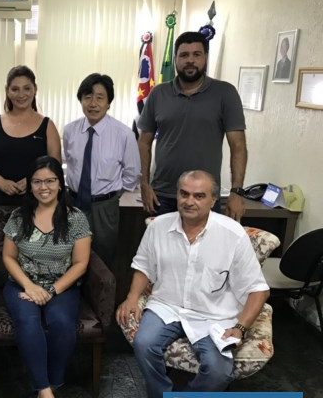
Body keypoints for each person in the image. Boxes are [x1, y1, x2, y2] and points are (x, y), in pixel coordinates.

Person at [116, 170, 269, 397]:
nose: (189, 202)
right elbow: (143, 266)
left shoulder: (232, 234)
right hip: (167, 305)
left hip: (214, 315)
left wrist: (239, 327)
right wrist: (131, 298)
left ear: (213, 200)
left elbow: (258, 290)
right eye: (184, 194)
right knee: (143, 344)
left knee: (219, 371)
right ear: (176, 195)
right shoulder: (158, 227)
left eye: (199, 196)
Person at [2, 156, 92, 398]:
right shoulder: (19, 217)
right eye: (37, 181)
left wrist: (51, 290)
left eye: (50, 181)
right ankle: (44, 390)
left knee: (61, 323)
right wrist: (29, 286)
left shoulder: (76, 218)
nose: (44, 187)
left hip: (63, 285)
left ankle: (55, 381)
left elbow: (81, 263)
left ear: (60, 183)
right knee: (28, 321)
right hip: (21, 284)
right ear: (30, 185)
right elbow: (8, 257)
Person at [137, 31, 247, 221]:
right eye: (184, 55)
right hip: (163, 196)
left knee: (205, 251)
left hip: (204, 198)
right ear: (175, 59)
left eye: (197, 54)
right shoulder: (158, 94)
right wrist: (144, 184)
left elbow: (238, 146)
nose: (190, 60)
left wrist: (237, 192)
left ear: (205, 57)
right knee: (162, 250)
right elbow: (144, 142)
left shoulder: (225, 93)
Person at [63, 73, 140, 266]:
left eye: (99, 97)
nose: (93, 103)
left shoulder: (124, 134)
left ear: (108, 103)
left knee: (102, 257)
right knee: (69, 254)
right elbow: (68, 164)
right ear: (81, 100)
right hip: (72, 202)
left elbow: (132, 174)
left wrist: (111, 196)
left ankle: (98, 297)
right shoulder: (70, 131)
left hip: (104, 208)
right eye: (87, 97)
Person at [0, 65, 61, 207]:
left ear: (35, 89)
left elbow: (55, 164)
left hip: (36, 203)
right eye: (15, 89)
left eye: (27, 88)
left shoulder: (48, 125)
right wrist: (0, 181)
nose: (21, 95)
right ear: (7, 91)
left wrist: (33, 180)